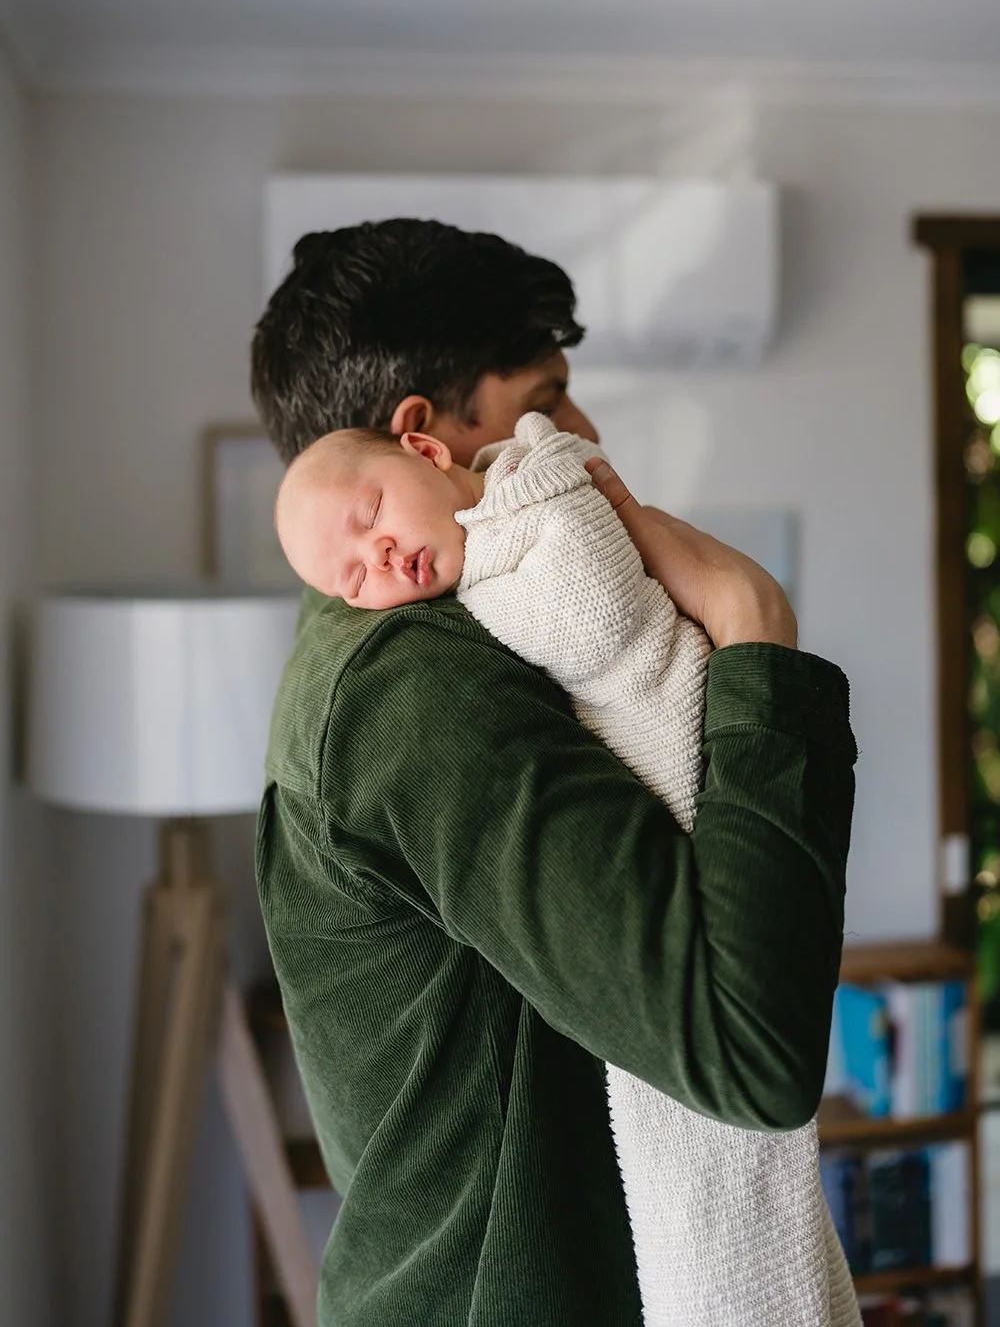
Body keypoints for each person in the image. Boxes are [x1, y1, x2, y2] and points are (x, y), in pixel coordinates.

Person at [250, 220, 858, 1327]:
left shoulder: (410, 643)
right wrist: (756, 631)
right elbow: (749, 1055)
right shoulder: (411, 690)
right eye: (548, 393)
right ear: (426, 434)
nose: (578, 428)